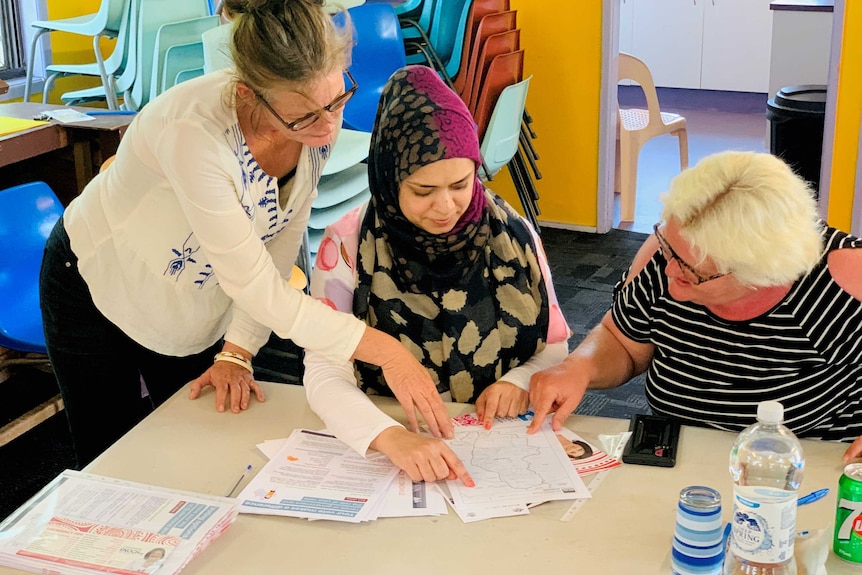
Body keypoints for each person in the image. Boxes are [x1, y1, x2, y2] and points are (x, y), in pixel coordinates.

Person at [38, 0, 451, 469]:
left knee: (195, 445)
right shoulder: (192, 133)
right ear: (248, 94)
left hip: (190, 295)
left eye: (337, 100)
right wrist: (385, 350)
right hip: (96, 281)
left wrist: (238, 350)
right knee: (110, 458)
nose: (329, 126)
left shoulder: (314, 115)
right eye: (303, 117)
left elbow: (278, 243)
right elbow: (253, 284)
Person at [303, 65, 571, 485]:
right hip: (390, 435)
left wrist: (519, 381)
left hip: (492, 441)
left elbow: (554, 345)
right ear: (390, 181)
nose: (447, 207)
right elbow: (323, 371)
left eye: (461, 184)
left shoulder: (514, 236)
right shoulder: (347, 245)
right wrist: (388, 437)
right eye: (423, 192)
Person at [528, 150, 862, 462]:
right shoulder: (673, 252)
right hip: (678, 455)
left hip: (802, 465)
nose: (669, 270)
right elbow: (624, 343)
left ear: (759, 272)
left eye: (692, 271)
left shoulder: (844, 278)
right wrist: (580, 367)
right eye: (667, 248)